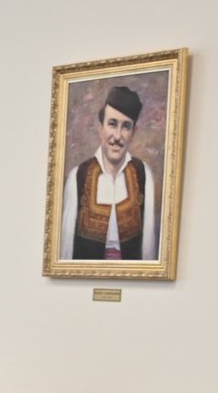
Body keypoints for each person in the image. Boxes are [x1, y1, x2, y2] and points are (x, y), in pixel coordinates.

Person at [59, 86, 159, 261]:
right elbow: (65, 252)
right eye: (112, 124)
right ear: (101, 129)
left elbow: (148, 252)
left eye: (126, 127)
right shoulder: (77, 176)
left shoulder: (143, 175)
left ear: (133, 133)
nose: (117, 136)